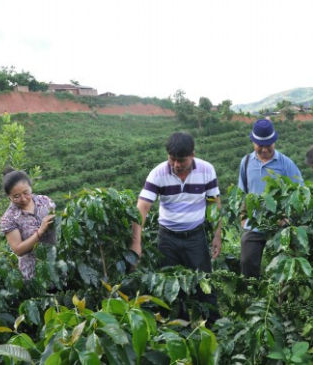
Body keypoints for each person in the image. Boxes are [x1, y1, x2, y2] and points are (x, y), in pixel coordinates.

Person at [130, 132, 221, 321]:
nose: (177, 165)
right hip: (167, 239)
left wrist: (217, 235)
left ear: (192, 155)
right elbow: (142, 208)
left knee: (204, 285)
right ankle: (175, 328)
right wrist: (135, 245)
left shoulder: (206, 170)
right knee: (168, 286)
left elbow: (214, 204)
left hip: (196, 237)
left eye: (182, 160)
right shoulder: (158, 173)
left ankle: (214, 326)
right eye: (172, 159)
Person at [238, 119, 303, 278]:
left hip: (280, 226)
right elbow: (243, 193)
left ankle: (281, 300)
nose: (265, 149)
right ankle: (255, 294)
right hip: (255, 225)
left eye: (269, 145)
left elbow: (299, 194)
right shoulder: (246, 163)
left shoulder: (286, 164)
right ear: (253, 142)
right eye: (261, 145)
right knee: (247, 263)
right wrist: (243, 218)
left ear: (275, 141)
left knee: (284, 271)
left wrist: (286, 218)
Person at [0, 168, 56, 280]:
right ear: (9, 197)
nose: (23, 199)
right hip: (34, 274)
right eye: (16, 196)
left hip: (57, 264)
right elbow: (18, 250)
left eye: (26, 193)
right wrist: (40, 232)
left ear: (31, 188)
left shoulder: (44, 201)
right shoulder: (9, 218)